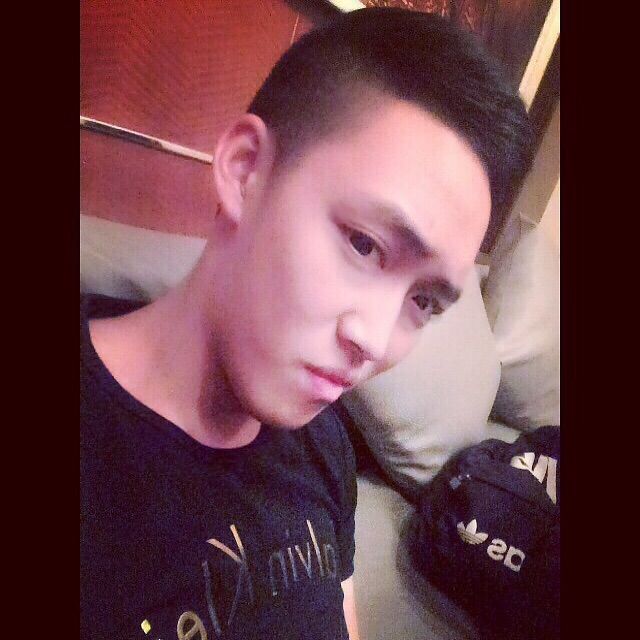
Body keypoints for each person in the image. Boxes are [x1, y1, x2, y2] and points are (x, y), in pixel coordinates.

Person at [80, 7, 533, 640]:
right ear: (246, 170)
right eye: (365, 245)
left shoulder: (323, 441)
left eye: (425, 301)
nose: (374, 342)